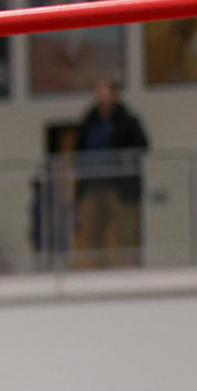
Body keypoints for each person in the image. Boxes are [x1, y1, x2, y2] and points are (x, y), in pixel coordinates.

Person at [73, 79, 150, 269]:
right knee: (92, 232)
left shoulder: (128, 121)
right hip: (92, 185)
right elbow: (79, 150)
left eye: (107, 94)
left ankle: (130, 269)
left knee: (126, 232)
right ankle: (96, 271)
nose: (103, 99)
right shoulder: (89, 121)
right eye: (100, 94)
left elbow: (142, 146)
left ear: (114, 96)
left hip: (120, 186)